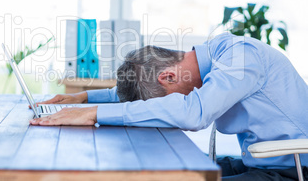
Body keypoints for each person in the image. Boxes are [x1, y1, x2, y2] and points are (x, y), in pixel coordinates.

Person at [30, 33, 308, 180]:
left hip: (292, 170)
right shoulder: (217, 56)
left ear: (169, 76)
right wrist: (85, 99)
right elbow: (152, 96)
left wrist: (93, 114)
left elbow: (192, 113)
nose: (166, 108)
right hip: (259, 163)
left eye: (166, 102)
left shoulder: (242, 59)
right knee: (171, 172)